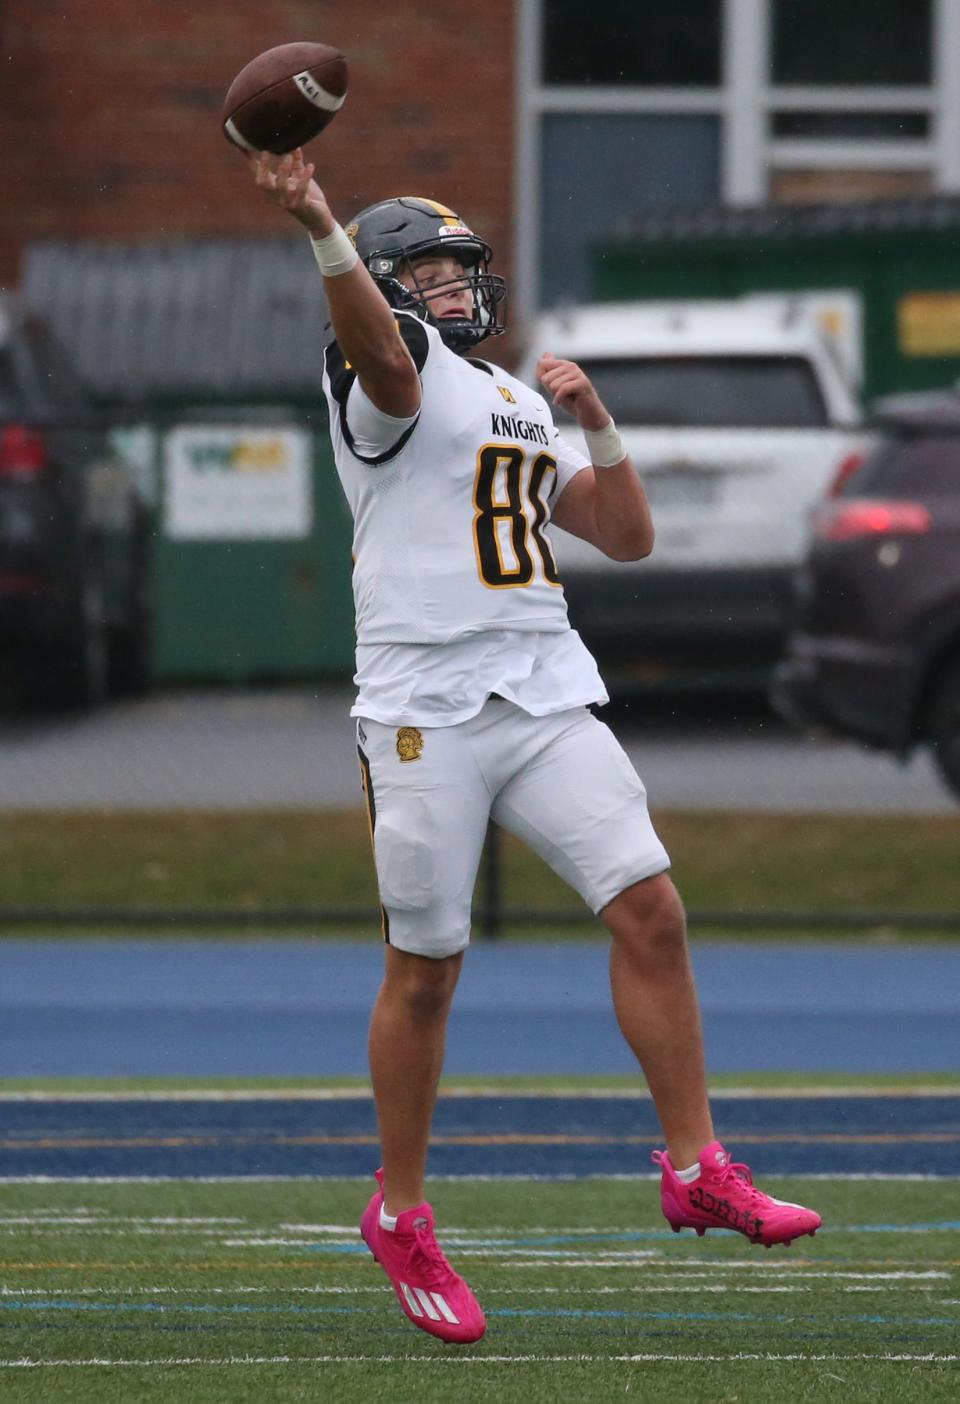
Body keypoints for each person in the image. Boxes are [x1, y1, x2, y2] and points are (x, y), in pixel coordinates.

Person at [248, 149, 821, 1345]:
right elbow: (385, 355)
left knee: (652, 910)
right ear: (393, 283)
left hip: (545, 692)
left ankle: (693, 1165)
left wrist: (599, 425)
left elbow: (626, 536)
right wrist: (317, 224)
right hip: (426, 711)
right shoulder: (379, 380)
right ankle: (399, 1211)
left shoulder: (507, 393)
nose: (461, 288)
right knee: (429, 969)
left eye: (466, 272)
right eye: (438, 273)